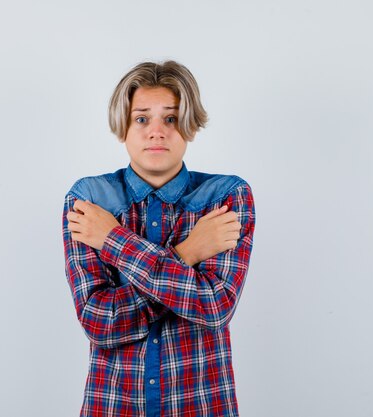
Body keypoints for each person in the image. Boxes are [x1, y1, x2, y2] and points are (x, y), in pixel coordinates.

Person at [62, 60, 256, 417]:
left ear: (190, 126)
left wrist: (113, 239)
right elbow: (99, 321)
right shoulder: (88, 200)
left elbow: (214, 307)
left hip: (202, 404)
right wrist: (187, 253)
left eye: (170, 118)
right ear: (123, 127)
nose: (156, 131)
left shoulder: (226, 197)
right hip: (113, 405)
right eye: (141, 118)